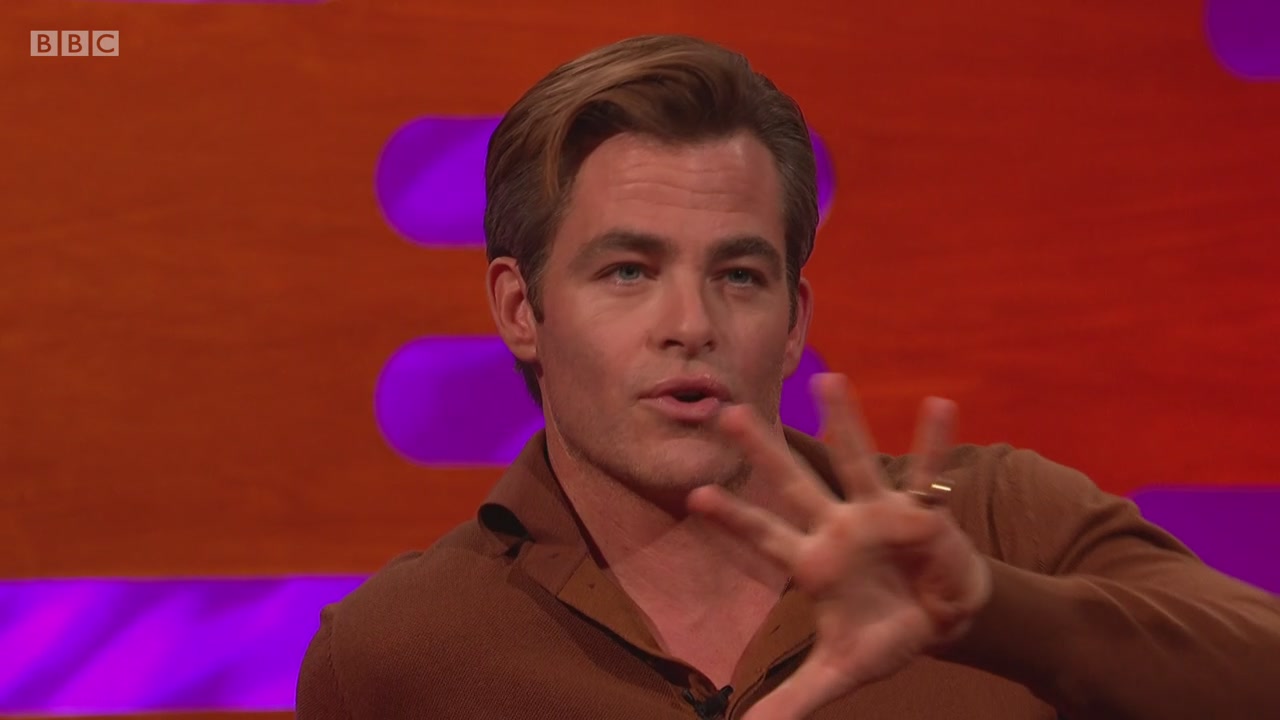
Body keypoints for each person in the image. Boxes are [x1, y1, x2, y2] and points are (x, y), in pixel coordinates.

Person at [296, 34, 1280, 719]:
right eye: (628, 271)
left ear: (794, 319)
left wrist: (990, 609)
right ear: (520, 309)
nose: (691, 325)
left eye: (738, 275)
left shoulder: (993, 521)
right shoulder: (398, 656)